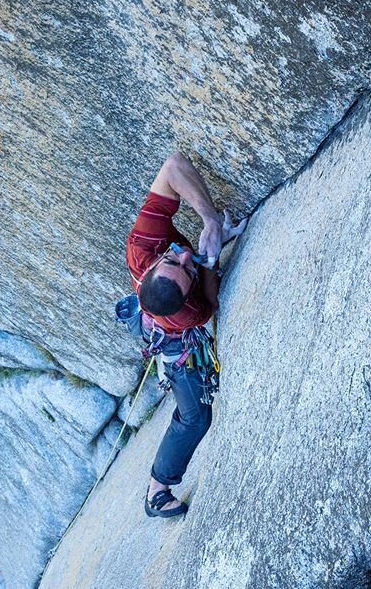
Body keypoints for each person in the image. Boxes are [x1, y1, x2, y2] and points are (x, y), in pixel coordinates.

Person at [125, 151, 247, 517]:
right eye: (185, 268)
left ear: (149, 269)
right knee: (196, 417)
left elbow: (174, 165)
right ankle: (156, 490)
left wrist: (209, 220)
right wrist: (208, 261)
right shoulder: (186, 313)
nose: (184, 256)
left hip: (155, 311)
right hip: (175, 342)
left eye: (174, 259)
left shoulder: (142, 248)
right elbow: (209, 306)